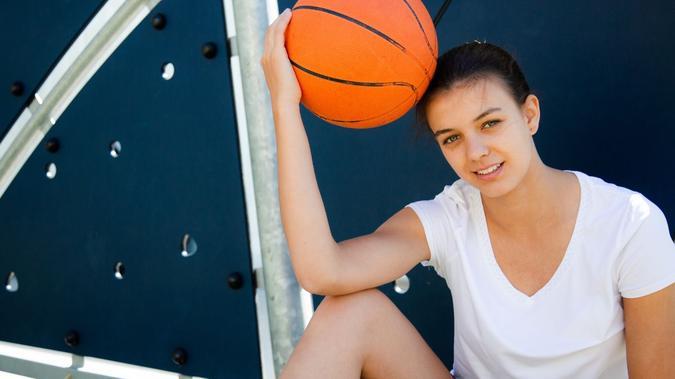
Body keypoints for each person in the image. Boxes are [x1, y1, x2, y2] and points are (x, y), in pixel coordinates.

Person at [261, 8, 675, 379]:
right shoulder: (451, 217)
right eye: (452, 138)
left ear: (529, 114)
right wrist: (283, 103)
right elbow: (322, 272)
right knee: (347, 313)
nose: (476, 152)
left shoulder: (630, 226)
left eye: (490, 124)